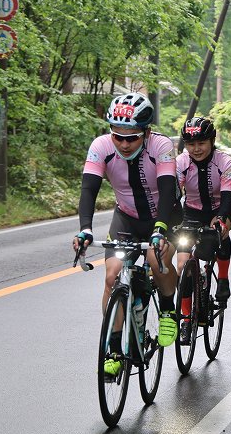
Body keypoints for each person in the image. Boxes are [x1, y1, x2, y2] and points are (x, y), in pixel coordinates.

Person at [72, 92, 179, 373]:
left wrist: (160, 228)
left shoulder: (161, 146)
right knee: (112, 276)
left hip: (162, 216)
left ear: (146, 132)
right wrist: (85, 229)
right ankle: (114, 348)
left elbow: (168, 190)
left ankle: (168, 308)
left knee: (158, 263)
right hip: (127, 220)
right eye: (117, 135)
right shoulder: (101, 146)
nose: (123, 143)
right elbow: (88, 189)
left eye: (131, 137)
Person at [174, 116, 231, 345]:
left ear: (212, 141)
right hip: (191, 211)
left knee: (219, 234)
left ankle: (222, 278)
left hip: (222, 207)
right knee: (183, 267)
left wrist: (220, 219)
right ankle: (186, 319)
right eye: (190, 144)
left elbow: (229, 195)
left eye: (201, 143)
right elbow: (175, 192)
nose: (196, 149)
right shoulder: (181, 162)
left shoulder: (224, 161)